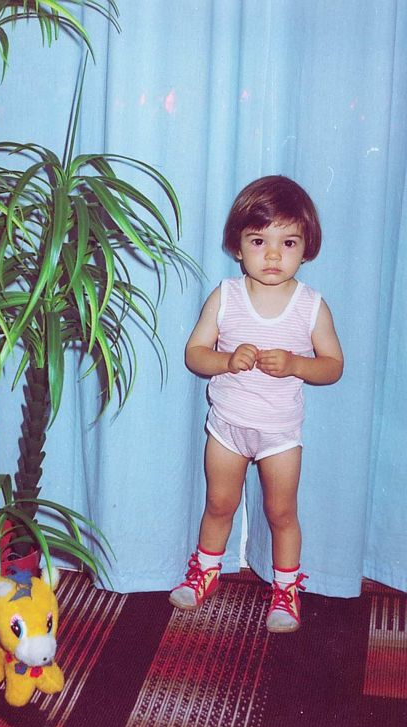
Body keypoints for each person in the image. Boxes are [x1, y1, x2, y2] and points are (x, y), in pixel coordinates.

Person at [170, 176, 343, 632]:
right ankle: (206, 571)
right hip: (228, 426)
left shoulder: (310, 306)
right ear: (238, 245)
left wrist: (296, 365)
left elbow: (333, 366)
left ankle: (286, 591)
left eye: (288, 243)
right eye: (258, 241)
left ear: (306, 248)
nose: (272, 255)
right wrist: (227, 360)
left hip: (280, 433)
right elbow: (194, 354)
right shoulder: (225, 296)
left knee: (282, 513)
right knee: (219, 503)